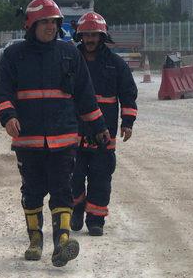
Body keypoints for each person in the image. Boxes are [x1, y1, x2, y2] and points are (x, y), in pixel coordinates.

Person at [0, 0, 110, 267]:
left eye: (54, 22)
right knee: (32, 192)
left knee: (62, 191)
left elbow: (85, 96)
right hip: (28, 140)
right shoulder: (14, 55)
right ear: (31, 24)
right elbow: (3, 92)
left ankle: (63, 242)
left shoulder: (70, 53)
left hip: (64, 138)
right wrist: (8, 116)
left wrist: (99, 127)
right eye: (44, 21)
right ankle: (35, 240)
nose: (50, 27)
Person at [71, 12, 138, 237]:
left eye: (94, 35)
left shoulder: (116, 65)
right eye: (86, 35)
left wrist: (127, 122)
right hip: (74, 133)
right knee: (72, 176)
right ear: (80, 36)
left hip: (104, 134)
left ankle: (95, 220)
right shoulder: (70, 61)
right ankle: (77, 207)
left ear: (102, 36)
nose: (90, 39)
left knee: (101, 178)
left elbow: (128, 94)